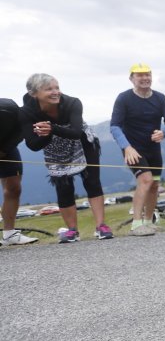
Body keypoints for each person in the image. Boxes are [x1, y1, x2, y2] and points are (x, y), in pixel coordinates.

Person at [20, 74, 112, 243]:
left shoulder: (72, 103)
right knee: (63, 187)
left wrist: (51, 128)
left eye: (57, 87)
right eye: (49, 89)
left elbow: (76, 133)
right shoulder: (26, 111)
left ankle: (101, 226)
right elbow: (33, 145)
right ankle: (72, 231)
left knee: (92, 182)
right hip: (53, 146)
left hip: (82, 141)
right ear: (34, 93)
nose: (56, 92)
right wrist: (47, 135)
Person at [111, 63, 165, 236]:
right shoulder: (124, 98)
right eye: (140, 75)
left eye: (147, 74)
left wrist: (164, 132)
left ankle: (148, 222)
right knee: (145, 180)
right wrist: (127, 148)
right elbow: (115, 127)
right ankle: (136, 223)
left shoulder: (160, 98)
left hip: (153, 149)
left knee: (154, 185)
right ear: (132, 79)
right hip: (133, 149)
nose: (145, 78)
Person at [0, 98, 38, 246]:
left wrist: (3, 150)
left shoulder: (18, 116)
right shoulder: (6, 109)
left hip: (7, 145)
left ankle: (10, 235)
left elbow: (20, 134)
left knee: (14, 188)